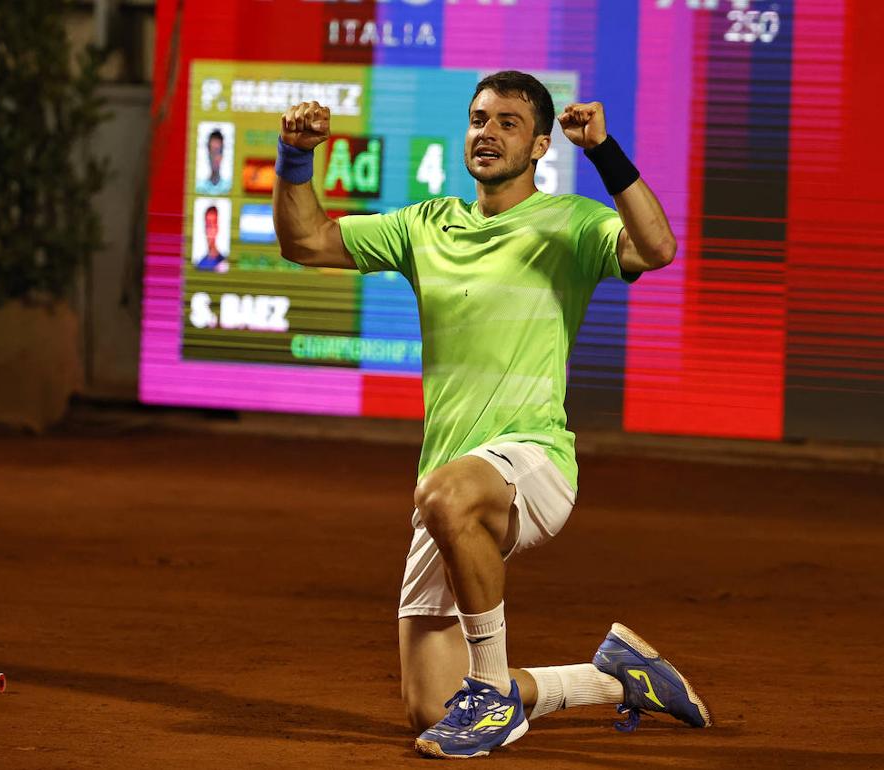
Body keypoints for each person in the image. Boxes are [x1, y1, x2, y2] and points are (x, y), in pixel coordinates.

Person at [272, 70, 711, 759]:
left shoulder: (570, 222)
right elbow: (305, 242)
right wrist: (296, 157)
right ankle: (611, 679)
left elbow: (658, 248)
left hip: (533, 459)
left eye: (509, 122)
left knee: (445, 494)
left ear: (540, 145)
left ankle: (494, 697)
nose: (489, 131)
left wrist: (605, 152)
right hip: (450, 478)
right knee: (427, 706)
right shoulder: (425, 225)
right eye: (480, 118)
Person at [195, 128, 230, 195]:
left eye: (219, 151)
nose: (215, 158)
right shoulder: (199, 187)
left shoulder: (228, 188)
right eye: (212, 152)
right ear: (208, 154)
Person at [195, 204, 228, 273]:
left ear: (218, 227)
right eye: (208, 224)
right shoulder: (200, 264)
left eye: (214, 224)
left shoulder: (224, 263)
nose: (210, 229)